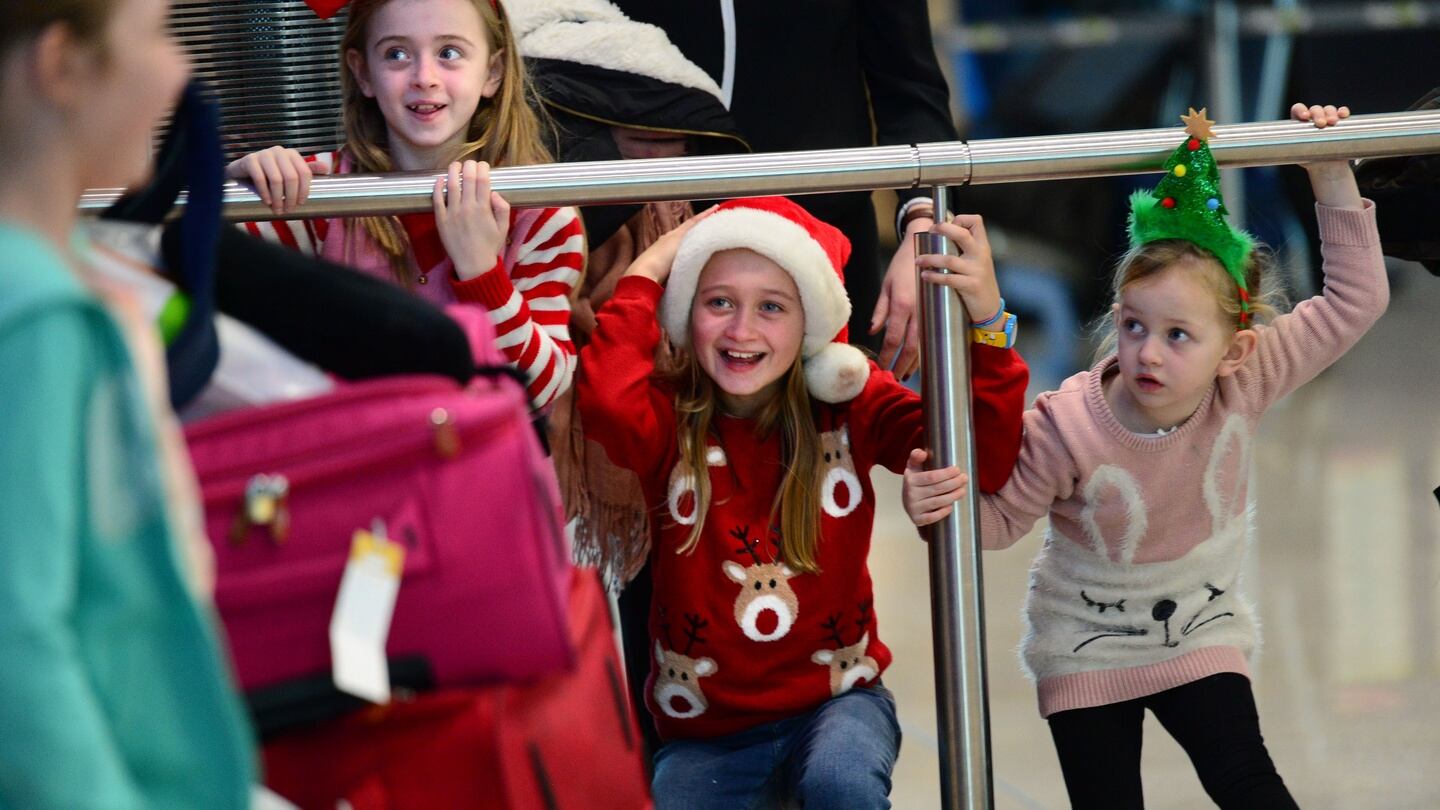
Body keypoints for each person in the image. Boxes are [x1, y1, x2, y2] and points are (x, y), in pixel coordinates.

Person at [903, 104, 1388, 809]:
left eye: (1178, 335)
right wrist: (934, 509)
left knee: (1248, 780)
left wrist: (1329, 172)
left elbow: (1356, 300)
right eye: (1133, 326)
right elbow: (997, 525)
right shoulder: (1069, 422)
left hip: (1201, 631)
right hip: (1085, 645)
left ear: (1235, 349)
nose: (1146, 352)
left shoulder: (1246, 378)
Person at [576, 195, 1029, 808]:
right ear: (687, 313)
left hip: (838, 704)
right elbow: (603, 400)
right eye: (718, 303)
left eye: (771, 307)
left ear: (811, 320)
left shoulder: (849, 400)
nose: (742, 330)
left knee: (839, 783)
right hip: (706, 734)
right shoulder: (669, 415)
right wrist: (652, 266)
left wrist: (987, 321)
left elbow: (983, 458)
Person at [0, 0, 256, 807]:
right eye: (157, 33)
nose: (180, 71)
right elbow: (18, 637)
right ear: (61, 66)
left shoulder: (70, 281)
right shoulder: (35, 318)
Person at [230, 0, 585, 410]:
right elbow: (189, 277)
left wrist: (482, 272)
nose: (424, 78)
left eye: (449, 52)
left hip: (487, 469)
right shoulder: (313, 196)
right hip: (367, 467)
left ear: (493, 71)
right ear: (363, 72)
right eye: (396, 54)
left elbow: (536, 393)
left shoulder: (541, 215)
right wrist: (235, 189)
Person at [609, 0, 959, 381]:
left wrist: (923, 225)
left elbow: (910, 89)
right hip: (649, 239)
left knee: (839, 428)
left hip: (827, 251)